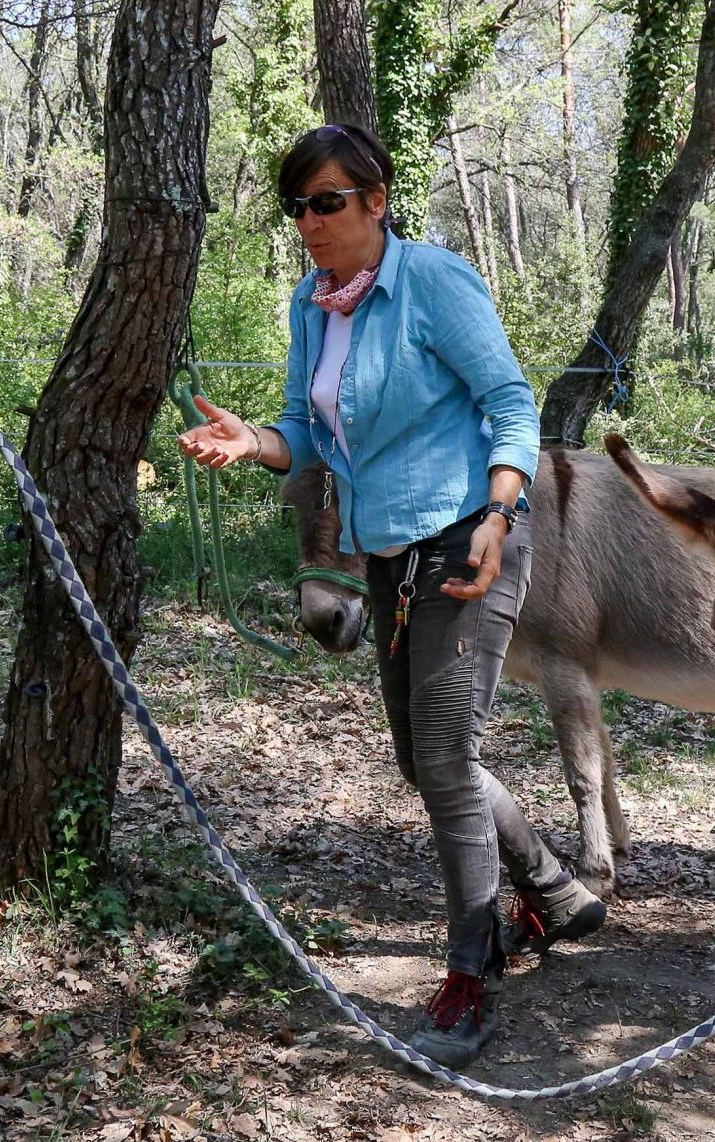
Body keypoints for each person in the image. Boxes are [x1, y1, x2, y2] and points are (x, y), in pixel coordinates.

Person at [179, 122, 605, 1068]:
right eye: (297, 206)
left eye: (328, 201)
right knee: (423, 762)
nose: (310, 221)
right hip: (387, 553)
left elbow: (509, 400)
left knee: (447, 759)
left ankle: (471, 972)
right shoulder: (312, 302)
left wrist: (501, 514)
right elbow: (304, 429)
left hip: (470, 537)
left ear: (376, 200)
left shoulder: (432, 282)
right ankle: (554, 889)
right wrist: (253, 442)